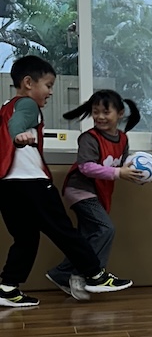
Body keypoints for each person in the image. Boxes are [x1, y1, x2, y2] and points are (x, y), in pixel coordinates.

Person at [0, 56, 133, 308]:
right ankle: (95, 274)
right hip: (32, 183)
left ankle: (8, 287)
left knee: (26, 239)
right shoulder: (27, 104)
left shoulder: (6, 107)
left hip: (7, 186)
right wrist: (19, 135)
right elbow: (17, 125)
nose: (50, 92)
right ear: (28, 83)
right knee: (64, 231)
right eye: (48, 85)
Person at [46, 89, 144, 300]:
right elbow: (86, 167)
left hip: (98, 192)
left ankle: (62, 273)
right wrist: (119, 173)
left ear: (120, 113)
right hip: (79, 190)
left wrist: (138, 172)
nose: (100, 117)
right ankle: (91, 276)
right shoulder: (89, 138)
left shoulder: (123, 138)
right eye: (95, 112)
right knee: (105, 228)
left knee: (87, 238)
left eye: (106, 112)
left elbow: (122, 163)